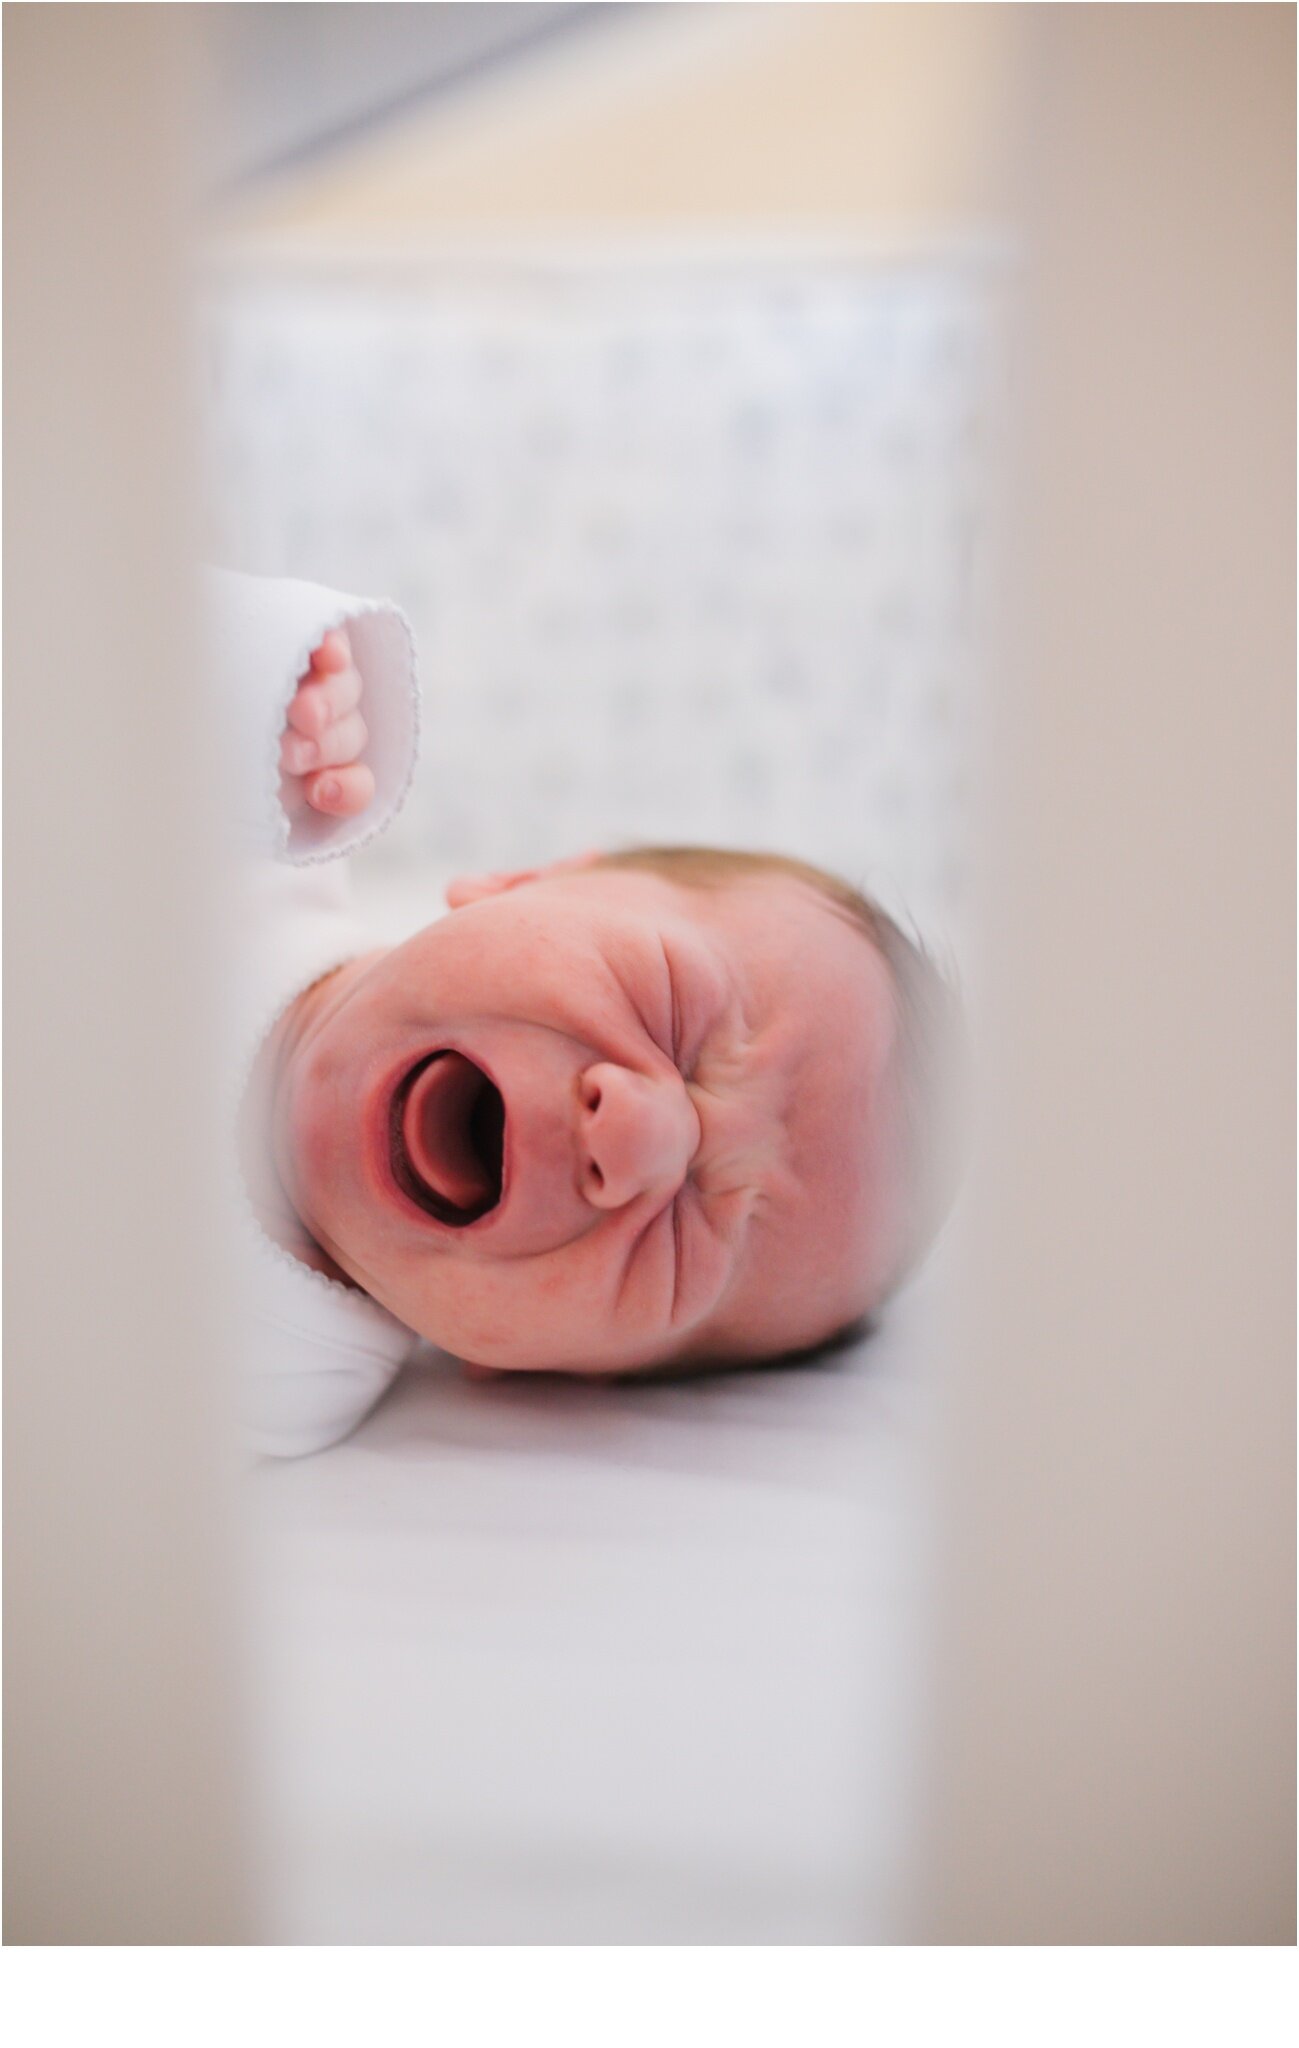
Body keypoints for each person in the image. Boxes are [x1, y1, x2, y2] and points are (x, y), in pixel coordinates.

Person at [212, 570, 961, 1457]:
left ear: (540, 1372)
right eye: (675, 1016)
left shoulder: (287, 1375)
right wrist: (254, 693)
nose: (634, 1140)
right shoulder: (250, 834)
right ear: (527, 884)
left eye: (681, 1252)